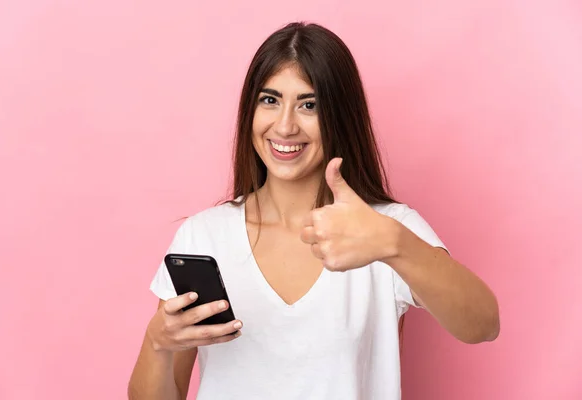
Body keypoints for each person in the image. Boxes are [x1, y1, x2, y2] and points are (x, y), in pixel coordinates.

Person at [128, 22, 500, 400]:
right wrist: (157, 342)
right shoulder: (204, 235)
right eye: (269, 100)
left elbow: (483, 326)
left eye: (310, 105)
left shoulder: (384, 229)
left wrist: (394, 243)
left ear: (340, 116)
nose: (285, 125)